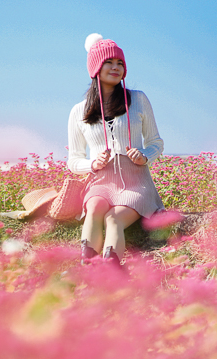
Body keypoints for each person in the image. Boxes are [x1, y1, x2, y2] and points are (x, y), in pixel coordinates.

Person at [67, 33, 164, 265]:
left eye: (120, 63)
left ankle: (111, 270)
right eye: (109, 62)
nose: (116, 67)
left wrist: (144, 156)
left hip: (136, 182)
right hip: (100, 182)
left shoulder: (138, 100)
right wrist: (92, 164)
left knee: (113, 219)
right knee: (95, 209)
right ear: (95, 68)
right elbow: (73, 160)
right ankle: (86, 265)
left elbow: (156, 142)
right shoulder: (78, 112)